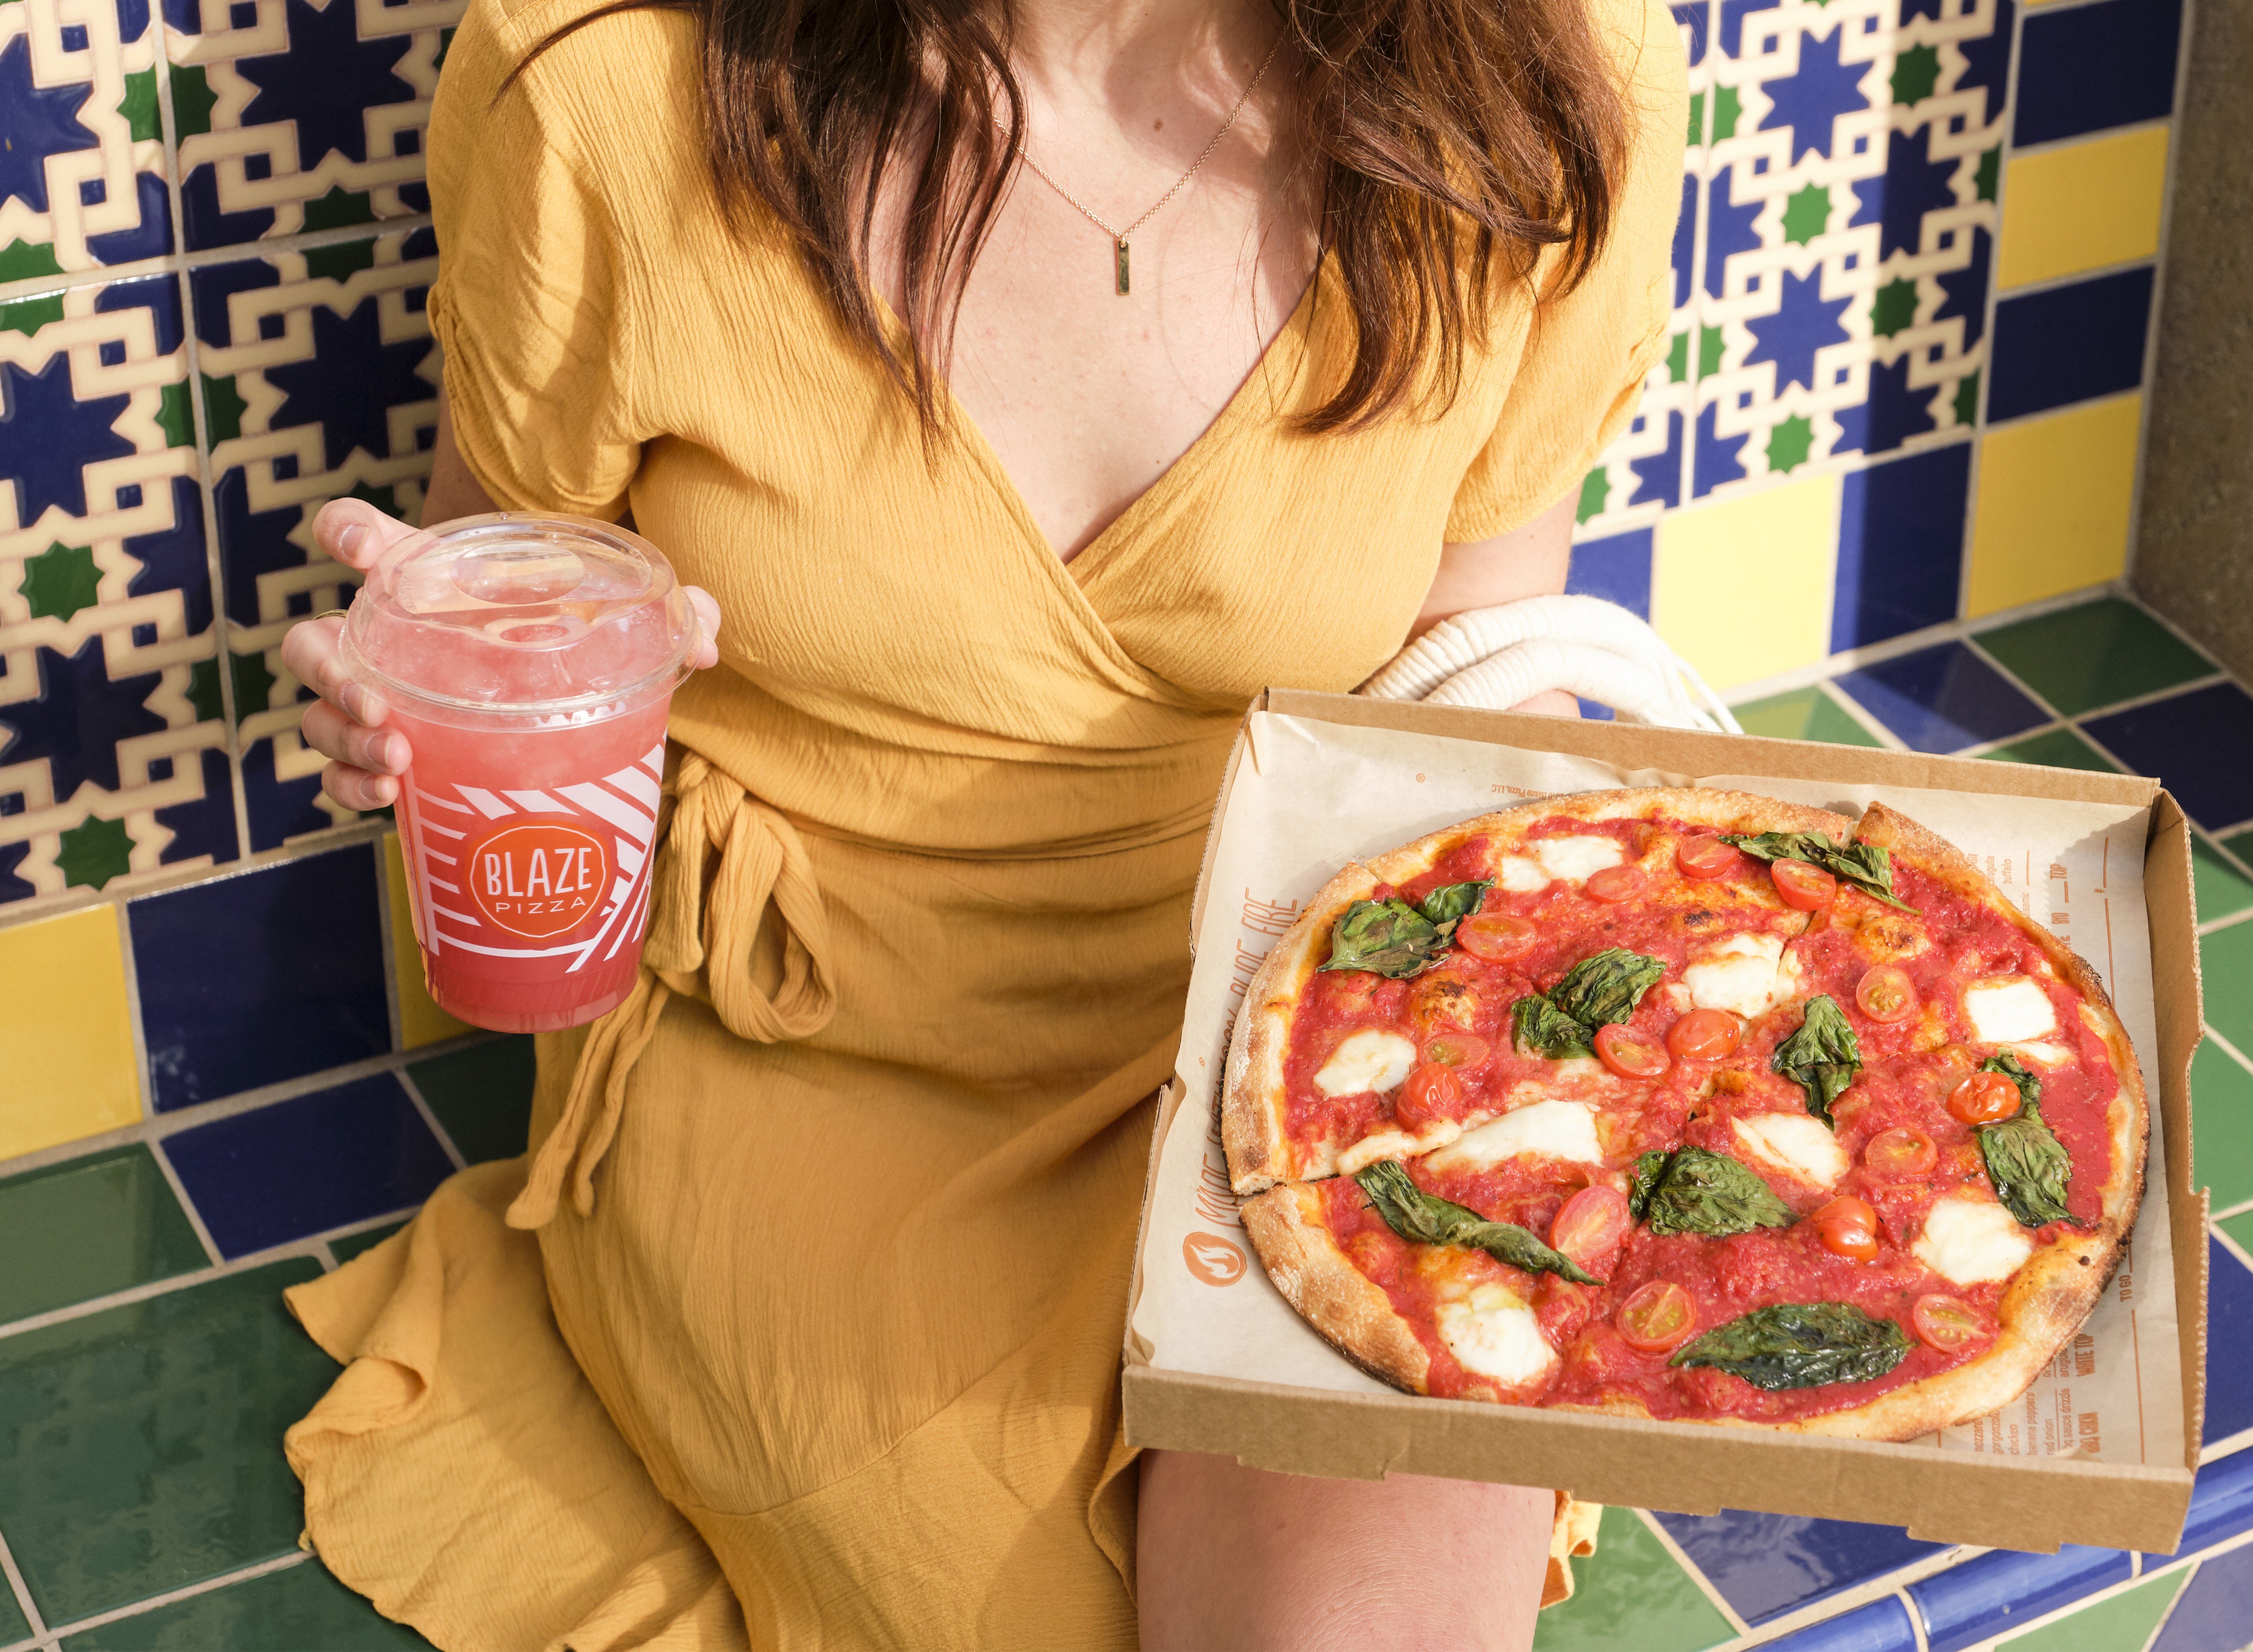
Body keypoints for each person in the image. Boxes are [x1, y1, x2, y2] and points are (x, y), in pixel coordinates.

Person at [276, 0, 1685, 1640]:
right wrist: (425, 690)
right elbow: (499, 599)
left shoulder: (1540, 69)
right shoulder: (605, 88)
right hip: (814, 1043)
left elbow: (1481, 662)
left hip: (1311, 1019)